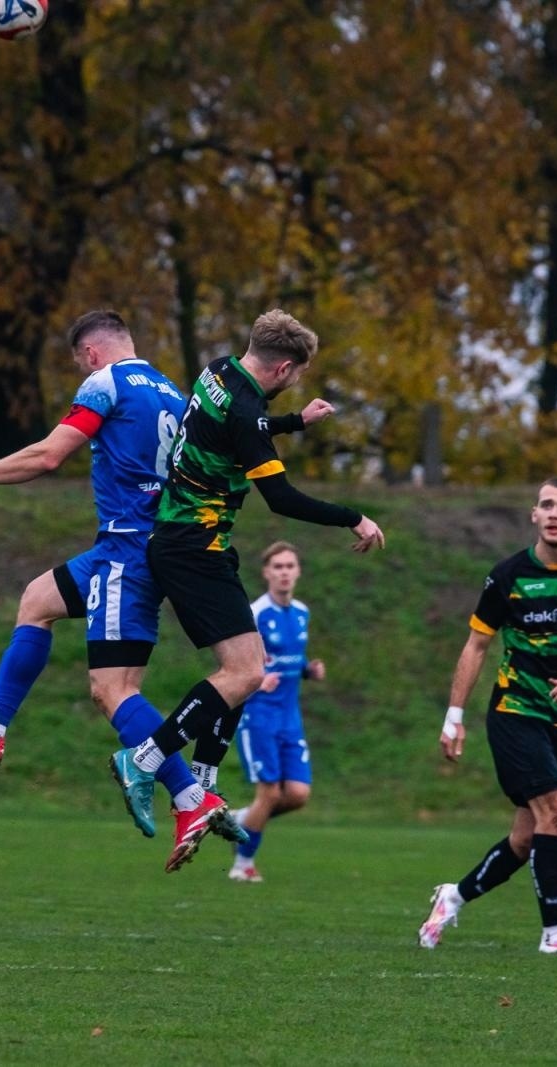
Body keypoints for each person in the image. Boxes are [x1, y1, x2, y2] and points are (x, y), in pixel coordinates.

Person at [0, 309, 333, 838]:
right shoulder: (170, 389)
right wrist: (295, 421)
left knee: (113, 689)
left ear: (90, 354)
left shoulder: (104, 382)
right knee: (38, 600)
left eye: (78, 364)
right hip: (150, 546)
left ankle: (190, 796)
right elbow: (236, 431)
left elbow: (49, 457)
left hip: (127, 552)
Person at [110, 308, 385, 873]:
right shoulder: (247, 408)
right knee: (244, 673)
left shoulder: (218, 373)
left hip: (184, 539)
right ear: (284, 368)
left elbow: (240, 429)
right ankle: (144, 759)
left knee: (245, 666)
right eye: (297, 375)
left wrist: (294, 425)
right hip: (194, 545)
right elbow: (281, 499)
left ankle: (205, 789)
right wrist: (353, 517)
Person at [419, 478, 557, 955]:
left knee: (525, 838)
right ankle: (555, 933)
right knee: (556, 813)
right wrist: (454, 716)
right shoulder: (507, 575)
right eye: (546, 505)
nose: (554, 513)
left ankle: (454, 895)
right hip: (514, 710)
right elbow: (476, 646)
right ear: (534, 515)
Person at [227, 541, 322, 883]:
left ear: (297, 572)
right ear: (267, 572)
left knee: (297, 794)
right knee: (269, 793)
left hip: (289, 718)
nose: (284, 572)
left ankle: (242, 819)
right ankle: (242, 865)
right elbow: (235, 663)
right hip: (259, 715)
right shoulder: (254, 614)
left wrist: (308, 670)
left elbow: (290, 660)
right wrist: (257, 680)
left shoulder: (301, 612)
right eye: (278, 567)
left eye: (290, 566)